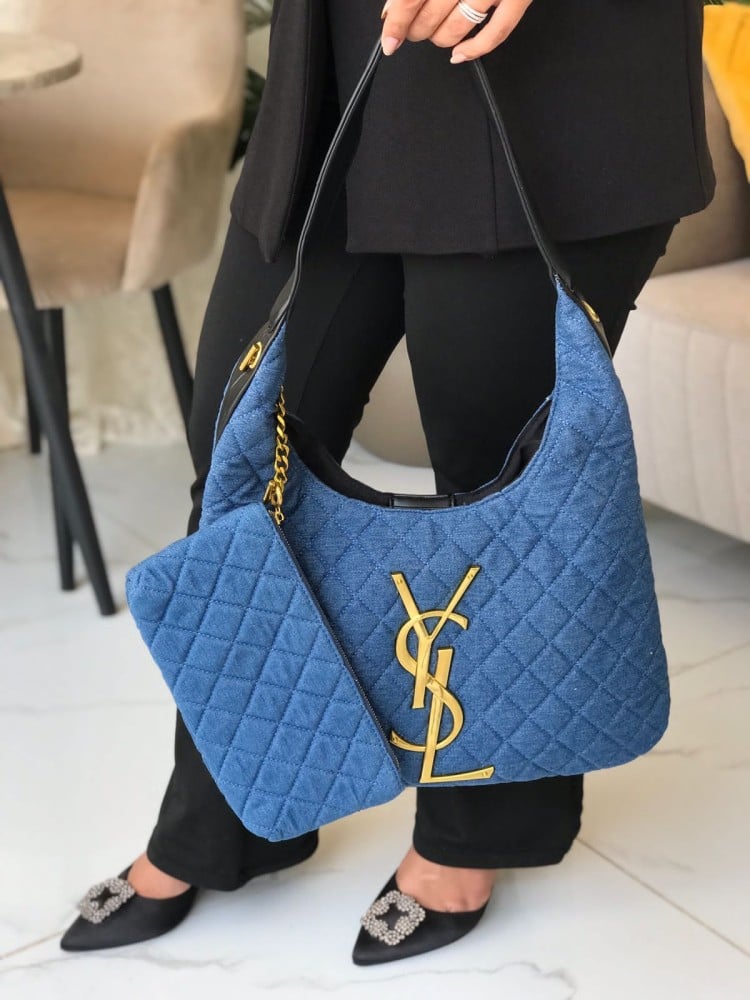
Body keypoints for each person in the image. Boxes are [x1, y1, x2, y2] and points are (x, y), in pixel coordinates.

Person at [61, 0, 714, 965]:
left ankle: (471, 838)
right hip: (336, 63)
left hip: (546, 72)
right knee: (240, 459)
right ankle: (230, 811)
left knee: (503, 488)